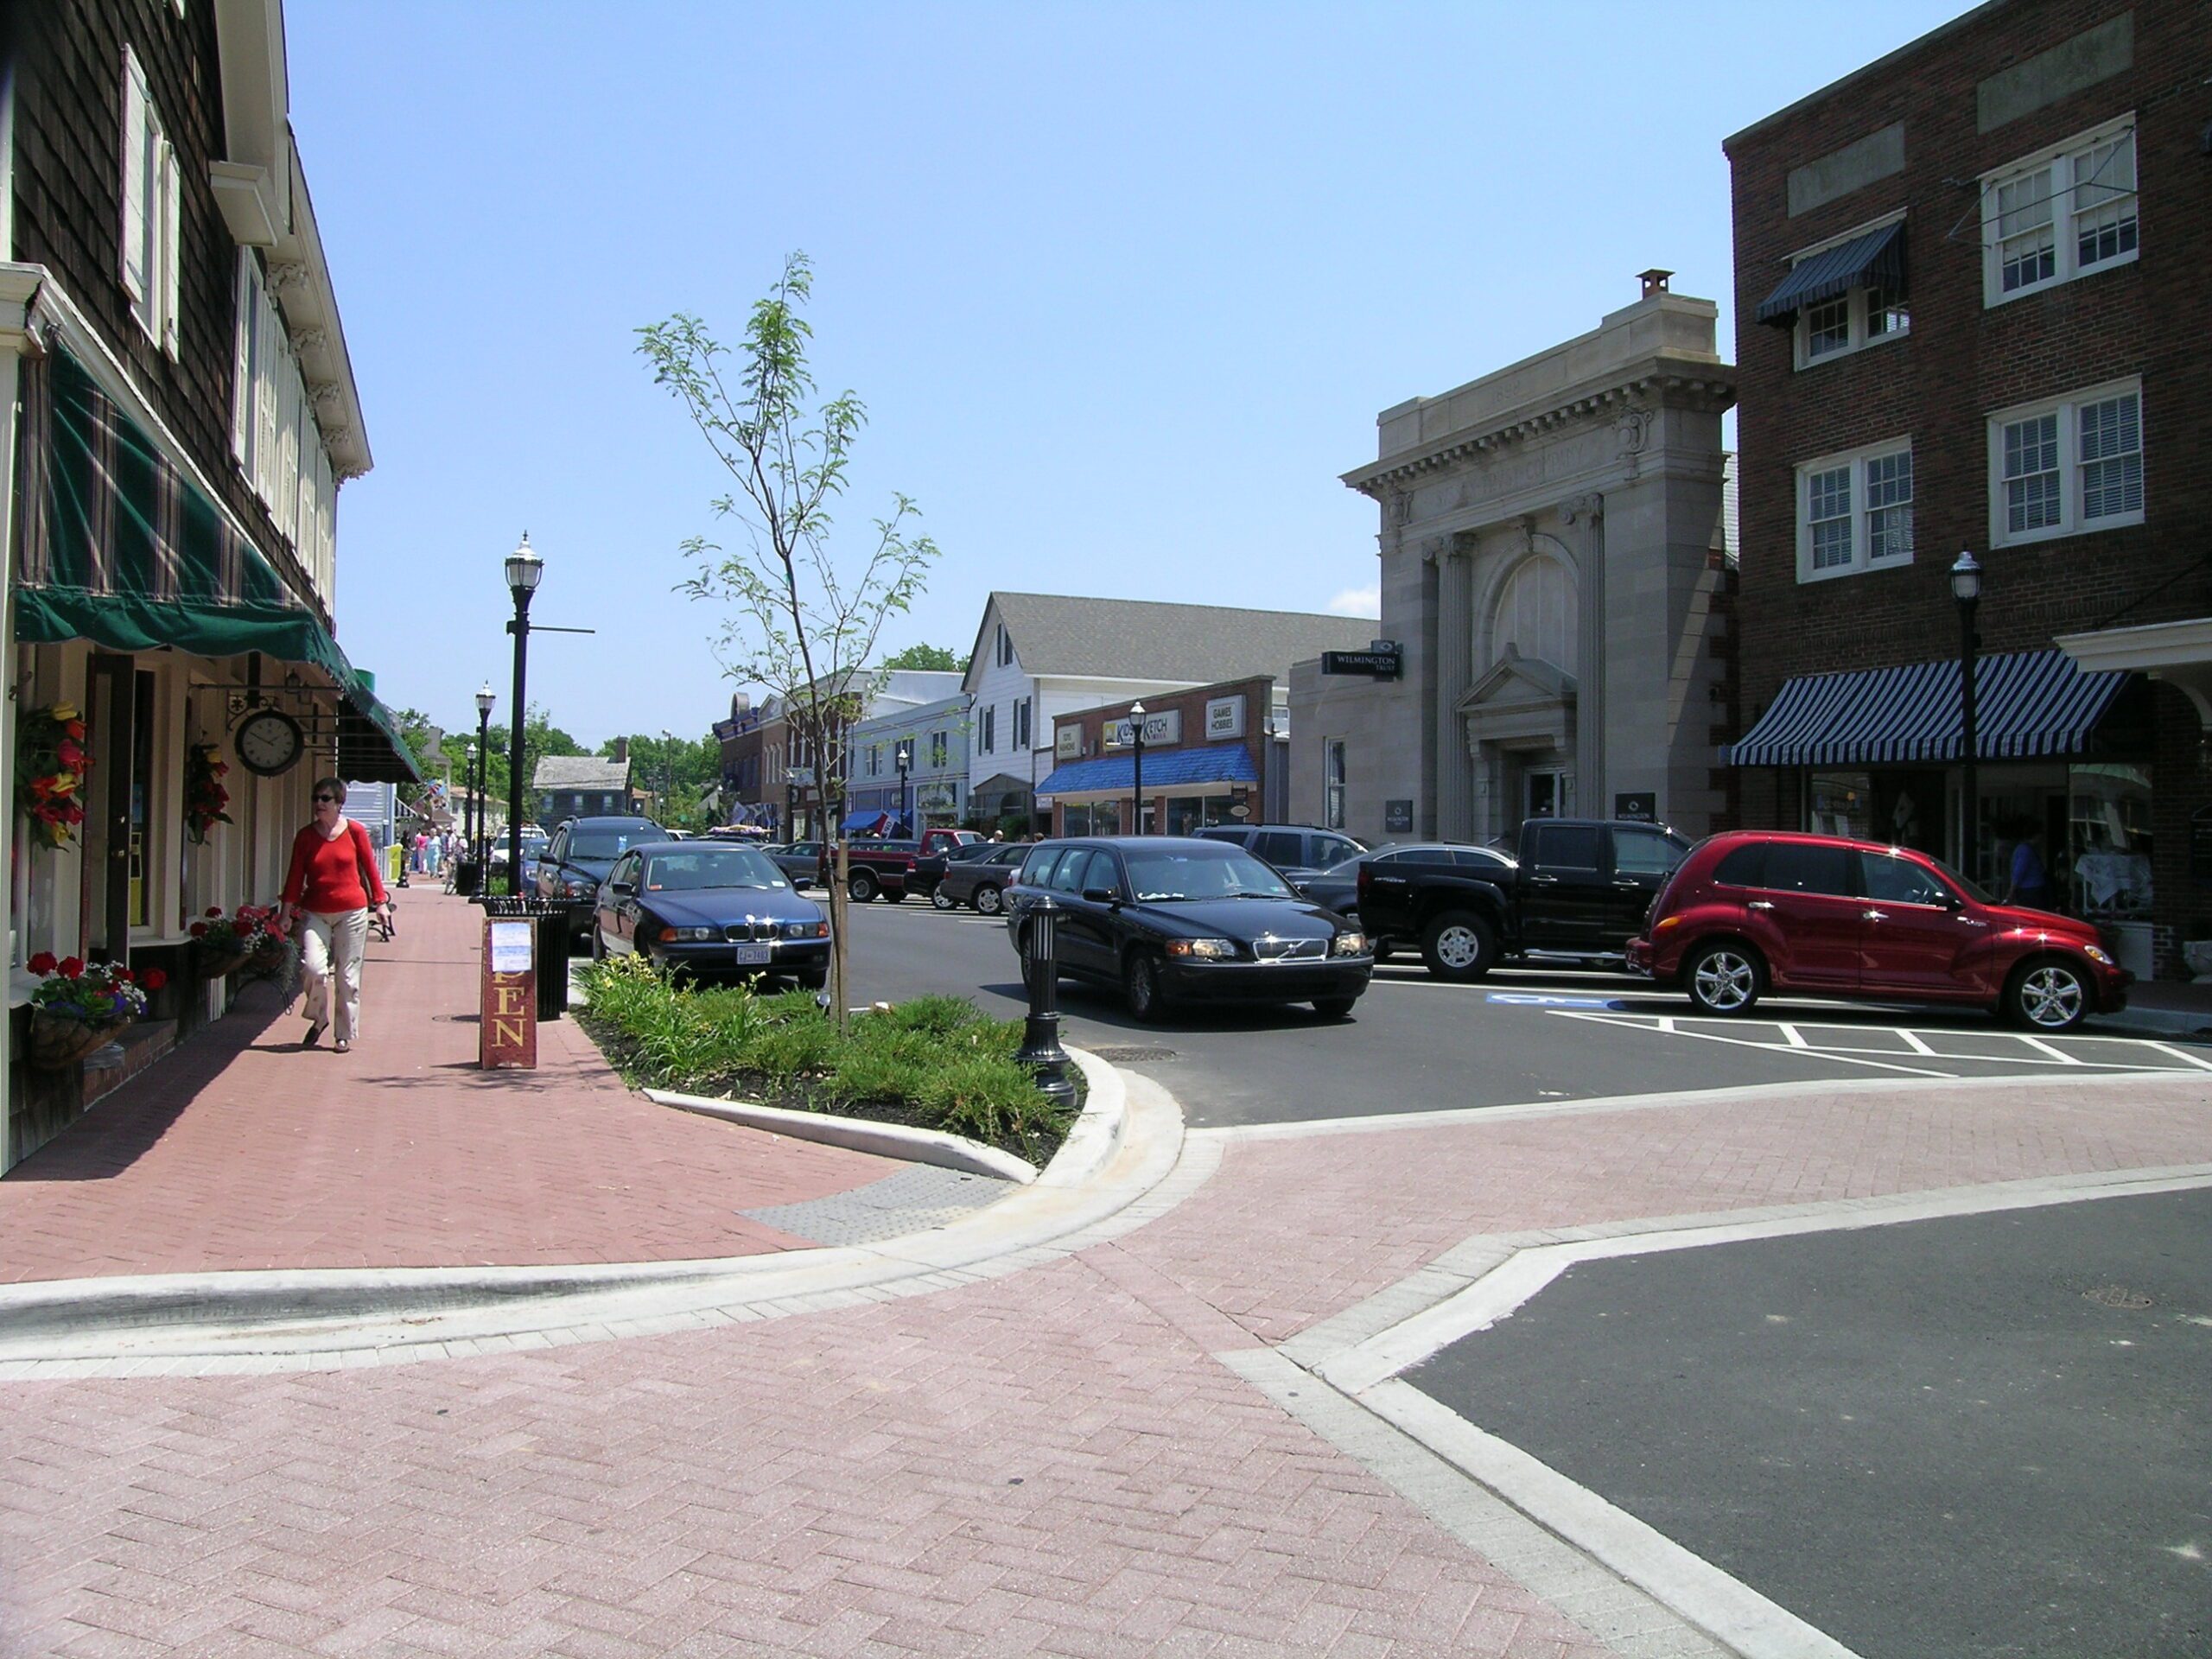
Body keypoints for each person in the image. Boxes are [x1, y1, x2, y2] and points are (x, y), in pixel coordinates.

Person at [281, 777, 391, 1053]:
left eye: (325, 799)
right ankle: (319, 1019)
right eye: (316, 798)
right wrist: (285, 913)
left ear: (339, 803)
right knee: (313, 968)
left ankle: (343, 1033)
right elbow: (294, 877)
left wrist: (380, 903)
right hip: (315, 911)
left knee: (346, 977)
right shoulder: (306, 837)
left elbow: (370, 868)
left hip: (352, 911)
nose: (319, 803)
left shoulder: (355, 832)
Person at [2004, 824, 2050, 912]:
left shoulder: (2026, 849)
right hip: (2030, 891)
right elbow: (2019, 872)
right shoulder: (2025, 850)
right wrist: (2011, 891)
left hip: (2032, 889)